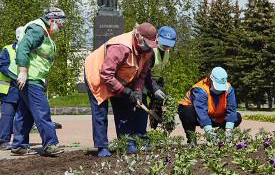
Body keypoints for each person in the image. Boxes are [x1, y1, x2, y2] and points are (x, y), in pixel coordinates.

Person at [84, 23, 158, 157]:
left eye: (150, 44)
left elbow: (141, 76)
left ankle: (127, 142)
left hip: (119, 78)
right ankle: (102, 147)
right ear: (138, 36)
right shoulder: (121, 47)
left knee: (124, 108)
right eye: (146, 43)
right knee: (100, 111)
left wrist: (137, 92)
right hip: (98, 74)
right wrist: (124, 91)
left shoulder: (148, 52)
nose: (147, 47)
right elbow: (106, 74)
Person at [10, 8, 66, 156]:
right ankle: (50, 144)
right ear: (52, 20)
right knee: (42, 111)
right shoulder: (38, 30)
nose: (61, 27)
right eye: (60, 24)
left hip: (34, 79)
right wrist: (23, 72)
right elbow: (23, 47)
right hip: (31, 79)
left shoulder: (45, 32)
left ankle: (19, 145)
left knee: (25, 113)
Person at [178, 67, 242, 144]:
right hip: (196, 116)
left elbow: (231, 110)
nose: (219, 90)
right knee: (187, 110)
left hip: (216, 117)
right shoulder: (200, 89)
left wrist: (228, 131)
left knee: (237, 117)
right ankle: (192, 140)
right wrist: (209, 132)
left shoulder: (229, 89)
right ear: (210, 80)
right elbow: (202, 113)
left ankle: (219, 136)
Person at [144, 26, 177, 129]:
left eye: (169, 44)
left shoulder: (167, 51)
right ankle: (141, 133)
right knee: (142, 107)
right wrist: (154, 89)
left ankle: (155, 129)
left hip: (156, 80)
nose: (166, 46)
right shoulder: (151, 50)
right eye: (164, 42)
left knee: (158, 106)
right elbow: (145, 73)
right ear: (157, 37)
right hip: (145, 81)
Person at [0, 27, 23, 150]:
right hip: (8, 90)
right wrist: (16, 77)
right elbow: (3, 66)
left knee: (21, 117)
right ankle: (4, 141)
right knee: (7, 117)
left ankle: (19, 141)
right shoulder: (7, 50)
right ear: (18, 37)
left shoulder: (29, 50)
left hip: (22, 89)